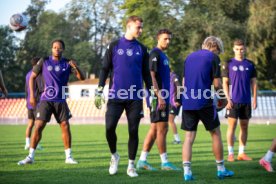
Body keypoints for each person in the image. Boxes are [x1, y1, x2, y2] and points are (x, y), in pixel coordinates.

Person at [94, 16, 152, 177]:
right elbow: (105, 69)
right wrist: (99, 89)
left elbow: (146, 74)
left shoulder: (142, 48)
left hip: (135, 97)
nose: (140, 30)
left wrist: (151, 92)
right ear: (129, 26)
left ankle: (131, 166)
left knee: (133, 131)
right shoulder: (114, 45)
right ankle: (114, 156)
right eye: (138, 27)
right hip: (116, 95)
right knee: (109, 128)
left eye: (141, 27)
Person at [18, 39, 85, 165]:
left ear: (63, 49)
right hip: (46, 100)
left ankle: (68, 157)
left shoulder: (67, 63)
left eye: (59, 47)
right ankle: (30, 157)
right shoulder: (44, 61)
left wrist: (76, 66)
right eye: (54, 47)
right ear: (51, 49)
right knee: (38, 126)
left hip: (61, 99)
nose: (56, 49)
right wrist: (32, 96)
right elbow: (32, 77)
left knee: (65, 126)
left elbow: (82, 78)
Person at [181, 36, 234, 181]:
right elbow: (217, 84)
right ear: (215, 47)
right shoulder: (213, 58)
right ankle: (221, 169)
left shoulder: (189, 57)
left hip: (188, 101)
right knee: (215, 133)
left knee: (189, 137)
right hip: (204, 101)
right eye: (218, 51)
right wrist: (223, 98)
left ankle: (187, 172)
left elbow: (184, 81)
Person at [136, 29, 180, 172]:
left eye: (169, 39)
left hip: (163, 96)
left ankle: (142, 160)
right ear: (158, 39)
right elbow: (151, 76)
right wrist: (159, 95)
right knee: (163, 128)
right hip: (158, 97)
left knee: (155, 129)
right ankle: (165, 162)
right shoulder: (155, 53)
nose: (168, 41)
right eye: (165, 39)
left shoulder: (163, 55)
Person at [222, 39, 257, 162]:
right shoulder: (229, 63)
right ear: (233, 49)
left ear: (245, 49)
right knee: (231, 126)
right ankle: (230, 153)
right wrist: (228, 99)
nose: (239, 51)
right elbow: (224, 82)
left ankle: (241, 153)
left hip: (246, 101)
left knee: (244, 126)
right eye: (237, 49)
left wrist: (254, 99)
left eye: (241, 49)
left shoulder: (250, 64)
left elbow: (254, 83)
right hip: (233, 101)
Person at [24, 57, 43, 150]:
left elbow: (26, 89)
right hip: (37, 102)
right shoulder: (37, 74)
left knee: (30, 124)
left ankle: (27, 143)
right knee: (38, 125)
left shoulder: (27, 74)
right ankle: (36, 144)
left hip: (29, 102)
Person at [169, 71, 182, 144]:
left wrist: (177, 99)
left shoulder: (174, 76)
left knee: (170, 120)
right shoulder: (167, 77)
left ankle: (177, 139)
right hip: (170, 103)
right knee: (168, 120)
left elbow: (179, 87)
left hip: (175, 103)